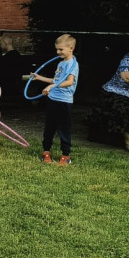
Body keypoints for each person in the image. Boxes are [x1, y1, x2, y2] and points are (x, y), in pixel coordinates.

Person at [32, 34, 78, 166]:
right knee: (49, 127)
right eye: (57, 49)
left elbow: (69, 82)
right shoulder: (61, 63)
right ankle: (46, 151)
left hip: (64, 101)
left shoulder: (73, 64)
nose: (58, 52)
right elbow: (57, 80)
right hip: (53, 99)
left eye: (61, 49)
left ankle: (66, 155)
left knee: (63, 128)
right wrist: (40, 78)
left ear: (71, 48)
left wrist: (52, 86)